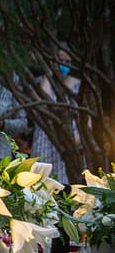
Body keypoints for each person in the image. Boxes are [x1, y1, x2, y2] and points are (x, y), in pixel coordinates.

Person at [31, 48, 81, 185]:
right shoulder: (43, 82)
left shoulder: (78, 86)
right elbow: (42, 102)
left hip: (69, 146)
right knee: (41, 186)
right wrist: (49, 73)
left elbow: (86, 121)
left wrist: (73, 142)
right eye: (60, 61)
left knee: (66, 188)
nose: (64, 64)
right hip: (45, 141)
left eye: (68, 61)